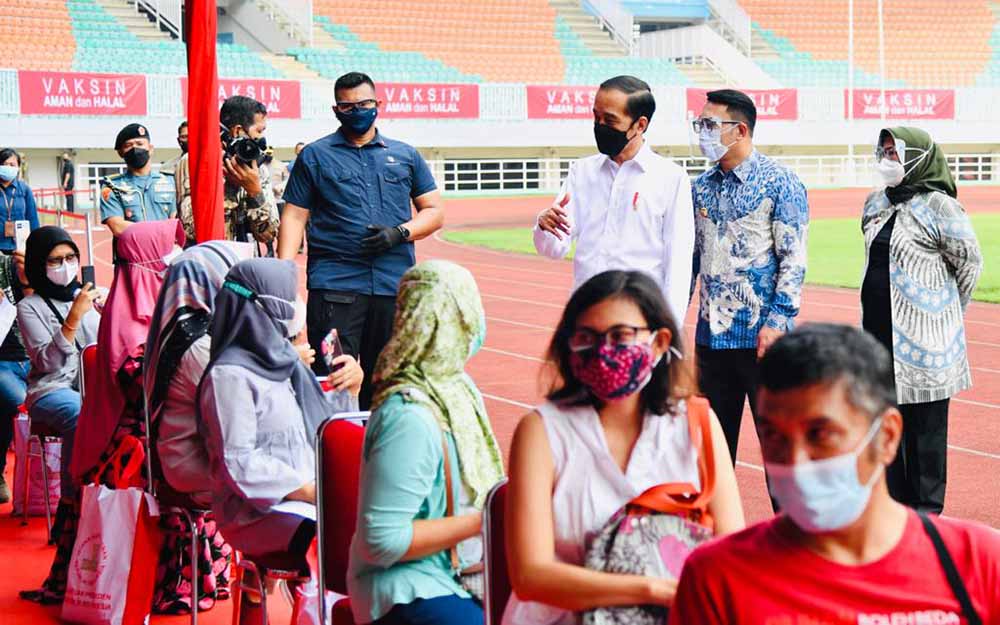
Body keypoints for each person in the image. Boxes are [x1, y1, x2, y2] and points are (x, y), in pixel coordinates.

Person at [669, 324, 1000, 623]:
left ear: (886, 436)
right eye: (774, 436)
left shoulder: (978, 563)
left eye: (820, 434)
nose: (795, 461)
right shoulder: (717, 578)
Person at [503, 270, 745, 624]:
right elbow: (530, 576)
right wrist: (652, 590)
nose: (604, 351)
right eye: (587, 337)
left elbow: (731, 556)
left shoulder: (697, 424)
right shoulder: (541, 432)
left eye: (621, 336)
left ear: (660, 342)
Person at [198, 258, 361, 618]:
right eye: (287, 297)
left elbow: (323, 428)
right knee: (352, 540)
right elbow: (239, 462)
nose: (296, 305)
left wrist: (349, 386)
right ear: (261, 307)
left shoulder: (283, 360)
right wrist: (307, 490)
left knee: (375, 526)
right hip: (254, 511)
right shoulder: (230, 376)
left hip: (306, 497)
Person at [348, 260, 504, 625]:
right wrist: (484, 520)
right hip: (410, 586)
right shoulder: (409, 418)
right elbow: (382, 542)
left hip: (459, 569)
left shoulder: (456, 389)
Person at [279, 71, 444, 409]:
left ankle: (379, 455)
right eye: (347, 106)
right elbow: (295, 215)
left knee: (389, 381)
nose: (357, 111)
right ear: (336, 110)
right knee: (334, 378)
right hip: (335, 290)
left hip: (392, 287)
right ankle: (337, 455)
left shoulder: (406, 155)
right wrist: (284, 277)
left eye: (364, 104)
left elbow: (433, 211)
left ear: (378, 104)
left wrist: (399, 233)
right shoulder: (314, 156)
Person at [863, 128, 983, 514]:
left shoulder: (940, 207)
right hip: (878, 337)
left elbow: (969, 265)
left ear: (916, 156)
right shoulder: (875, 203)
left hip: (926, 341)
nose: (887, 159)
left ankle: (928, 515)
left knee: (926, 433)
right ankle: (896, 510)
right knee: (887, 426)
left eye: (894, 152)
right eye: (883, 151)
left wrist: (943, 313)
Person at [690, 89, 809, 469]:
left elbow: (793, 259)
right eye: (699, 124)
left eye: (709, 124)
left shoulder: (780, 183)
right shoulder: (699, 188)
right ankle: (716, 529)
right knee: (710, 455)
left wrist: (778, 323)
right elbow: (691, 261)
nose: (701, 132)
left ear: (740, 130)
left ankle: (791, 527)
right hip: (711, 341)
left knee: (780, 452)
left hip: (763, 341)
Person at [533, 76, 694, 325]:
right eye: (596, 117)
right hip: (585, 315)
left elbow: (679, 262)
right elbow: (554, 249)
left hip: (638, 320)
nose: (600, 125)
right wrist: (545, 227)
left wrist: (670, 328)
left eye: (610, 120)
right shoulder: (581, 172)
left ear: (640, 125)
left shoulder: (671, 179)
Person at [16, 226, 101, 604]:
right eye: (54, 261)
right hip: (51, 392)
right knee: (79, 415)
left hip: (95, 388)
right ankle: (73, 505)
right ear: (38, 265)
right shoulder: (28, 307)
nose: (64, 267)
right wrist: (73, 319)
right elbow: (47, 361)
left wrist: (97, 309)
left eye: (69, 259)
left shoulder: (92, 298)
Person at [176, 96, 279, 251]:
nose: (261, 139)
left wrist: (254, 191)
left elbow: (268, 234)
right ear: (238, 131)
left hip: (244, 266)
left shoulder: (256, 168)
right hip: (208, 261)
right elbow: (191, 229)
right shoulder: (194, 162)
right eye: (259, 131)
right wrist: (231, 187)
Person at [100, 123, 177, 237]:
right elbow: (118, 227)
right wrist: (161, 229)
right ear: (121, 152)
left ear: (150, 149)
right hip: (132, 253)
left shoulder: (169, 182)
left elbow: (175, 222)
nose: (135, 149)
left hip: (166, 253)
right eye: (128, 145)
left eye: (140, 144)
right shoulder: (112, 186)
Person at [0, 248, 31, 504]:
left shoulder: (13, 264)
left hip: (33, 359)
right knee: (16, 400)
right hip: (2, 362)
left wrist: (27, 280)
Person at [1, 148, 40, 253]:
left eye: (12, 165)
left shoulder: (24, 189)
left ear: (18, 167)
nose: (8, 167)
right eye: (4, 164)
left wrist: (35, 244)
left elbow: (33, 219)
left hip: (20, 247)